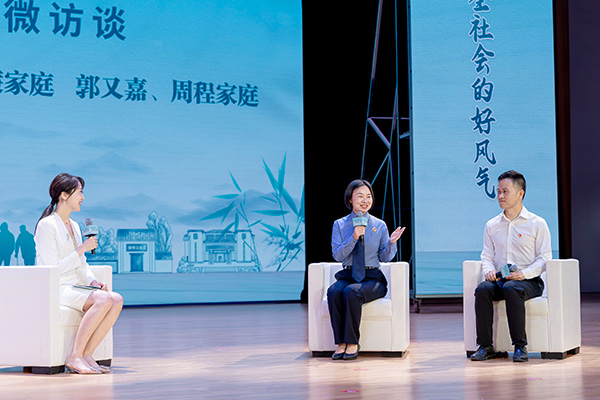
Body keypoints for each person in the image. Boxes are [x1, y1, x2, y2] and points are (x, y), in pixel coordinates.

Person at [35, 173, 123, 374]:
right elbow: (53, 267)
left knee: (116, 299)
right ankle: (75, 356)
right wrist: (81, 249)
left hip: (74, 287)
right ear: (64, 195)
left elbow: (81, 264)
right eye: (80, 192)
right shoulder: (47, 225)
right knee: (102, 300)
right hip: (56, 287)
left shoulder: (74, 225)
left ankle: (87, 354)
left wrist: (92, 281)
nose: (83, 198)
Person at [470, 170, 551, 363]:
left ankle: (520, 346)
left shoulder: (537, 223)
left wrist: (524, 274)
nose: (500, 196)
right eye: (498, 191)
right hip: (501, 280)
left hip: (529, 281)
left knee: (512, 288)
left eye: (505, 191)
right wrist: (488, 270)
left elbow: (544, 258)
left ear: (520, 194)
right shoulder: (492, 225)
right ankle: (485, 346)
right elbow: (487, 255)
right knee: (483, 289)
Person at [327, 179, 405, 360]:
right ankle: (341, 342)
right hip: (348, 274)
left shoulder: (380, 225)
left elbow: (385, 258)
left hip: (372, 278)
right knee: (333, 291)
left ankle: (352, 342)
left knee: (351, 292)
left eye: (368, 196)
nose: (365, 200)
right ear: (350, 199)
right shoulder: (340, 225)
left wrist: (392, 243)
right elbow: (338, 255)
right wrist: (354, 236)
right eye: (360, 196)